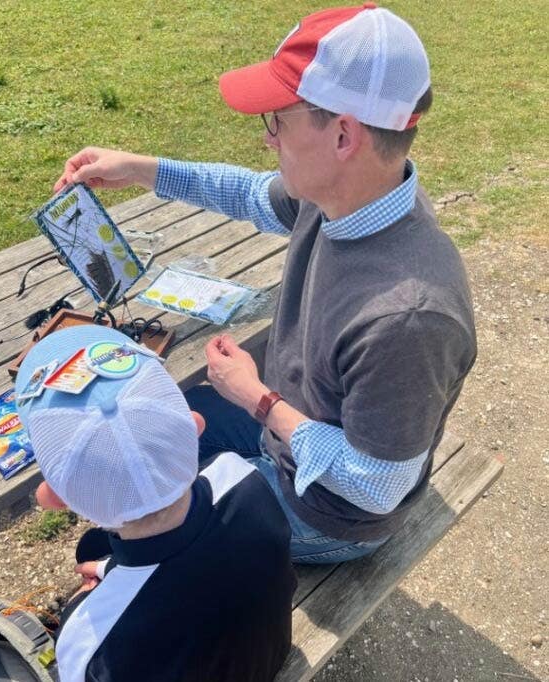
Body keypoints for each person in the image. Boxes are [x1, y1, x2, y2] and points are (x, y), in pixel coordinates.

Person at [54, 4, 477, 565]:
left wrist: (256, 397)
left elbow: (376, 486)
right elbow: (250, 194)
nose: (268, 139)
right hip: (289, 428)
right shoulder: (346, 194)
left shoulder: (411, 317)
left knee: (111, 546)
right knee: (156, 433)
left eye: (278, 119)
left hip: (328, 512)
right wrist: (139, 168)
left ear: (345, 135)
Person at [15, 325, 296, 682]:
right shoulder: (243, 479)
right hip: (267, 655)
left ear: (54, 499)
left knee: (91, 548)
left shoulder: (87, 640)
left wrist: (100, 597)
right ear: (195, 426)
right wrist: (109, 572)